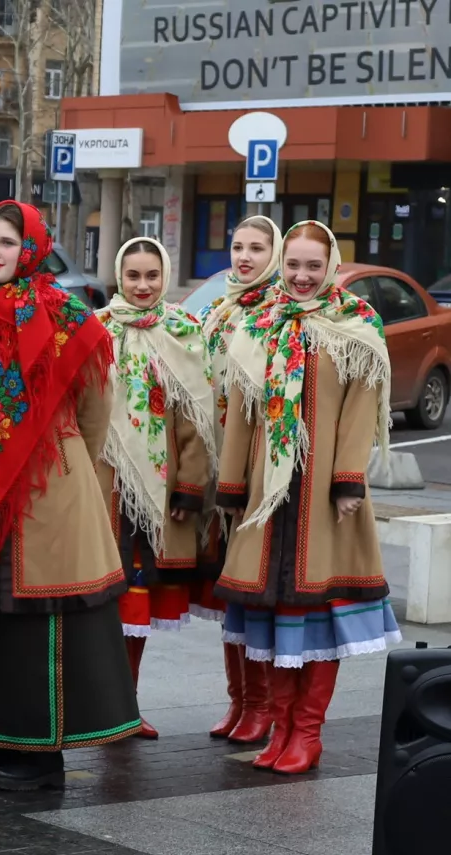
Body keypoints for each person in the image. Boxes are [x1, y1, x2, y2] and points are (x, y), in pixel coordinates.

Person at [0, 201, 139, 792]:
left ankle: (42, 756)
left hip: (48, 485)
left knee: (37, 618)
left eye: (5, 242)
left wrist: (64, 454)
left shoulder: (70, 316)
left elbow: (99, 406)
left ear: (31, 248)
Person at [215, 220, 400, 775]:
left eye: (312, 267)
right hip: (267, 498)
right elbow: (243, 413)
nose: (300, 276)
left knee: (316, 610)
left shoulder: (357, 323)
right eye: (292, 265)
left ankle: (307, 733)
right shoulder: (261, 323)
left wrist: (348, 481)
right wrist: (230, 486)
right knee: (270, 614)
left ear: (332, 267)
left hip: (322, 495)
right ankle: (280, 726)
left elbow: (359, 412)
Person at [96, 238, 216, 740]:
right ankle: (102, 707)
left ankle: (128, 706)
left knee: (136, 605)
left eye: (151, 276)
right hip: (104, 489)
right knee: (102, 603)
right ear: (118, 278)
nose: (142, 286)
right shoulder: (95, 330)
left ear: (164, 277)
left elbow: (196, 420)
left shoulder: (184, 332)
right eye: (133, 276)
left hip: (158, 496)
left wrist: (189, 488)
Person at [196, 216, 282, 745]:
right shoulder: (217, 310)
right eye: (237, 246)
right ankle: (239, 701)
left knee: (254, 590)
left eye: (256, 248)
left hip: (256, 467)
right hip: (215, 468)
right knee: (228, 588)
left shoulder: (277, 315)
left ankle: (264, 705)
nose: (244, 257)